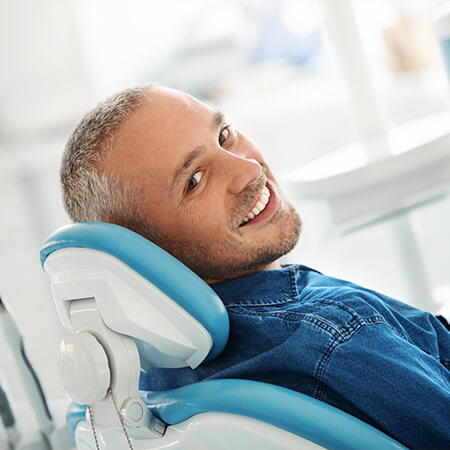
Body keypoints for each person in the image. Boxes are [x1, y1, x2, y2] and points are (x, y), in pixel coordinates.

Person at [61, 83, 450, 449]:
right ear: (146, 253)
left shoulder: (141, 388)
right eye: (194, 180)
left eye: (224, 134)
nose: (248, 169)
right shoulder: (336, 335)